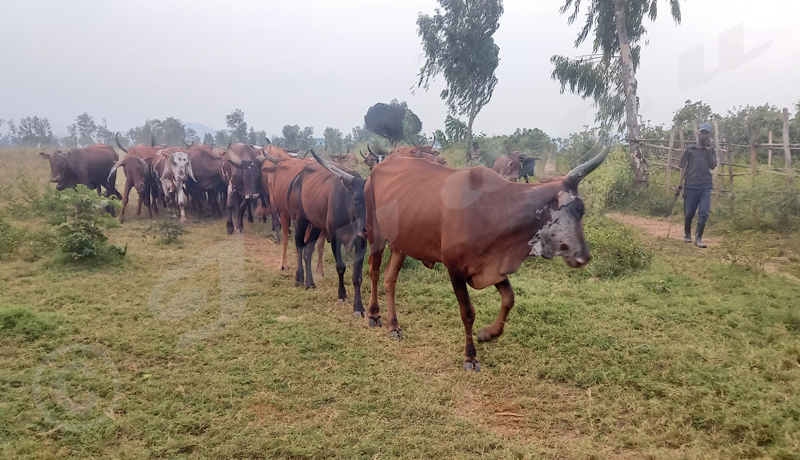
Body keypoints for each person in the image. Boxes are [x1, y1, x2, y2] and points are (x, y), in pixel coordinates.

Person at [677, 123, 717, 248]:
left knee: (704, 212)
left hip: (705, 185)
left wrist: (709, 151)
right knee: (689, 213)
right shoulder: (690, 149)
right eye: (702, 132)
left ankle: (698, 238)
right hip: (690, 185)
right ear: (698, 134)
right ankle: (687, 233)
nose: (703, 135)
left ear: (709, 135)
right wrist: (679, 184)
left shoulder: (711, 150)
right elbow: (683, 167)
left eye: (706, 133)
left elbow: (713, 165)